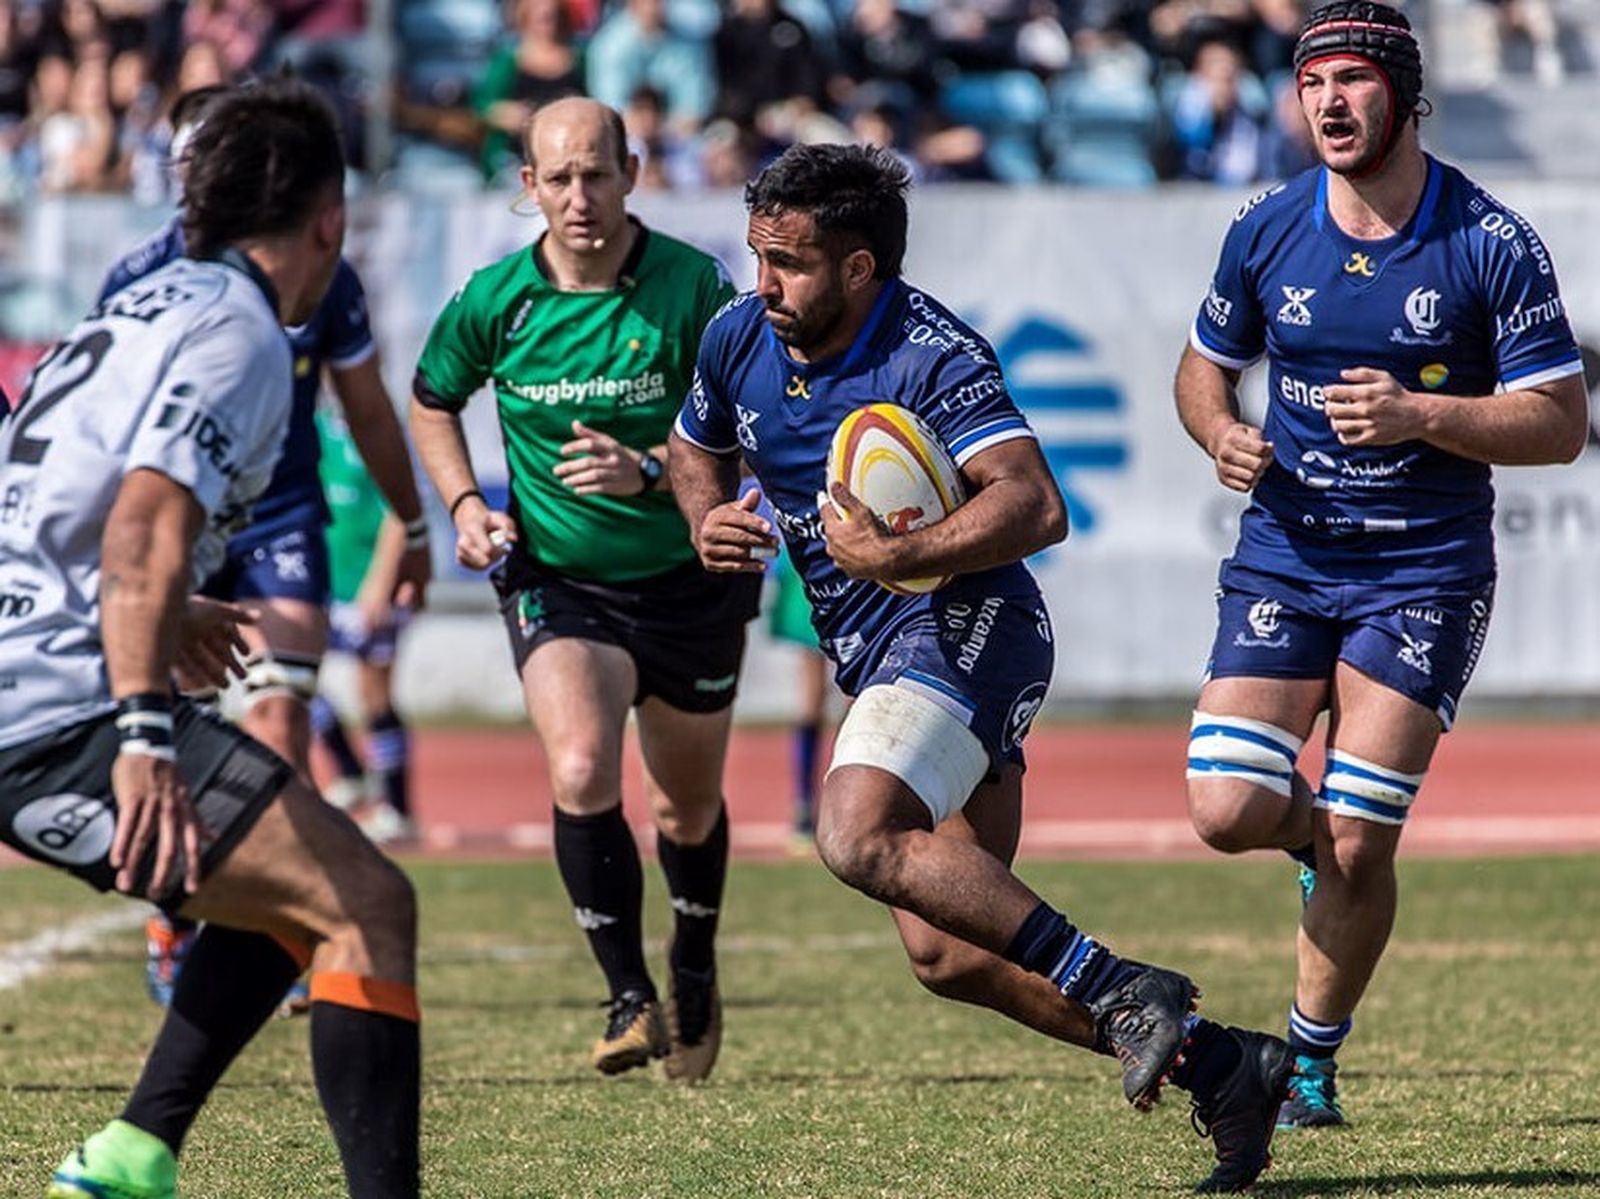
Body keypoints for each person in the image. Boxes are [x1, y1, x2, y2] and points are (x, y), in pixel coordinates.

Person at [670, 141, 1292, 1194]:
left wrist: (898, 554)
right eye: (756, 256)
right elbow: (696, 444)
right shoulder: (741, 334)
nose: (763, 282)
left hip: (970, 623)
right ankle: (1228, 1065)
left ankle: (1127, 984)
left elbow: (1034, 502)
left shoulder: (931, 354)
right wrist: (704, 520)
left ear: (859, 267)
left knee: (855, 831)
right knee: (953, 954)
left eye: (789, 262)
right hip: (879, 657)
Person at [0, 79, 420, 1199]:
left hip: (36, 673)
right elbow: (142, 519)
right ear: (331, 216)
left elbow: (53, 496)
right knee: (369, 902)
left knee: (305, 885)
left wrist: (164, 611)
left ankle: (136, 1152)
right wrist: (142, 732)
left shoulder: (137, 301)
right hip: (58, 709)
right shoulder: (237, 329)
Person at [1177, 1, 1586, 1133]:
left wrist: (1420, 414)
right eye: (1312, 84)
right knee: (1221, 807)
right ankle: (1309, 840)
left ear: (1406, 98)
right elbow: (1200, 368)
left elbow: (1558, 422)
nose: (1328, 103)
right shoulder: (1265, 226)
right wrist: (1216, 429)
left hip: (1424, 573)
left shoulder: (1487, 239)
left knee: (1362, 831)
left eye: (1353, 81)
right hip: (1284, 558)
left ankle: (1307, 1061)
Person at [409, 96, 757, 1082]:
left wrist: (652, 472)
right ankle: (627, 992)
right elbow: (432, 399)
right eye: (556, 178)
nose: (578, 197)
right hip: (558, 579)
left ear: (633, 172)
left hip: (689, 581)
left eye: (595, 174)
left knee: (685, 809)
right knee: (578, 766)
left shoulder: (693, 286)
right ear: (528, 186)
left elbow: (753, 424)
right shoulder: (497, 298)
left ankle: (693, 960)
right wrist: (466, 504)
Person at [98, 84, 432, 1006]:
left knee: (280, 720)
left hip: (282, 516)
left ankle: (272, 936)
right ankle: (175, 907)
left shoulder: (323, 274)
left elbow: (365, 404)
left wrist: (409, 523)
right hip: (183, 526)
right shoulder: (142, 275)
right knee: (177, 724)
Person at [309, 402, 416, 845]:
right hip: (320, 585)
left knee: (374, 695)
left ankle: (398, 809)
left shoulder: (375, 426)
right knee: (296, 681)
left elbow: (400, 511)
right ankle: (350, 772)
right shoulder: (309, 426)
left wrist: (380, 583)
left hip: (366, 586)